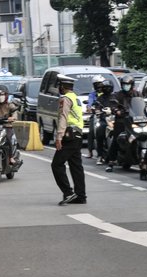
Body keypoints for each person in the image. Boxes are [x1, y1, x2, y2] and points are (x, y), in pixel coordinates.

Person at [51, 74, 87, 205]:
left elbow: (63, 118)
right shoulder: (75, 97)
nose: (59, 88)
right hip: (77, 135)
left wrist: (59, 137)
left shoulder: (65, 99)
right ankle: (80, 196)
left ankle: (68, 193)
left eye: (60, 86)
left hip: (69, 135)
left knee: (56, 164)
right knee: (76, 166)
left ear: (62, 87)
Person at [106, 74, 141, 172]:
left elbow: (142, 105)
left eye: (128, 84)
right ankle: (111, 162)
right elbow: (113, 104)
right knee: (117, 139)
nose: (126, 86)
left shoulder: (137, 94)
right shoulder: (117, 95)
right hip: (122, 120)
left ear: (132, 85)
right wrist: (117, 110)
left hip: (136, 120)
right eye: (124, 84)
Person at [93, 80, 115, 165]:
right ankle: (100, 155)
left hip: (114, 119)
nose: (107, 89)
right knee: (100, 131)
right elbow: (96, 106)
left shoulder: (115, 97)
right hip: (104, 120)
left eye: (108, 88)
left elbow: (120, 105)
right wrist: (98, 110)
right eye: (105, 88)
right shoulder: (100, 98)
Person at [85, 75, 106, 159]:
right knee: (91, 131)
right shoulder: (92, 94)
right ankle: (90, 151)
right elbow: (89, 103)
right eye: (97, 84)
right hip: (96, 115)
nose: (99, 87)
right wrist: (89, 107)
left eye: (101, 84)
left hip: (107, 116)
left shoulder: (108, 93)